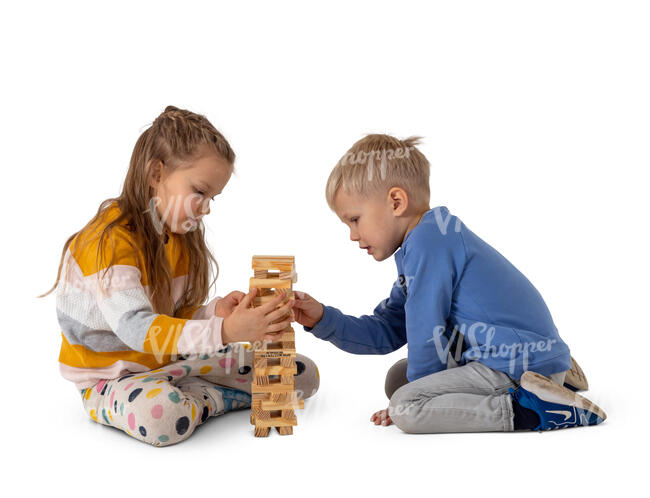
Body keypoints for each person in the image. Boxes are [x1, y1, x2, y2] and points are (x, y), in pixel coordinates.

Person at [39, 105, 319, 446]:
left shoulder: (177, 236)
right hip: (110, 379)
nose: (207, 207)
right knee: (164, 416)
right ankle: (207, 399)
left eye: (213, 197)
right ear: (156, 173)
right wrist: (226, 331)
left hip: (169, 363)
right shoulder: (110, 242)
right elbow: (138, 329)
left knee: (298, 375)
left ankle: (192, 393)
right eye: (199, 192)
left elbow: (170, 318)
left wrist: (215, 313)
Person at [292, 133, 605, 433]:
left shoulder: (429, 242)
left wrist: (420, 395)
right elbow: (388, 329)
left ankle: (535, 408)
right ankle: (553, 375)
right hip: (514, 351)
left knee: (405, 406)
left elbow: (425, 330)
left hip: (509, 359)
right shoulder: (427, 242)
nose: (353, 235)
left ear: (396, 202)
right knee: (398, 380)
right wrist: (322, 318)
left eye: (355, 219)